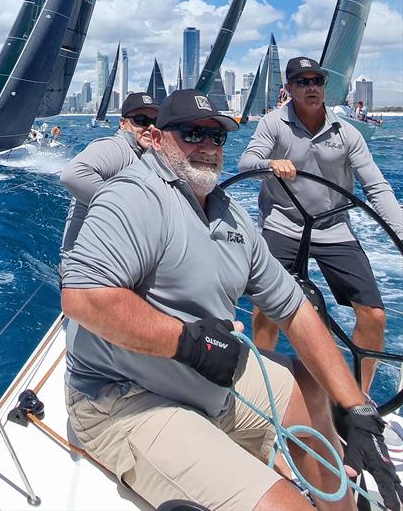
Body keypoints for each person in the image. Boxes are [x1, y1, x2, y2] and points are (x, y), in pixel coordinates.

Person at [62, 89, 402, 511]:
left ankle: (340, 502)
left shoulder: (230, 214)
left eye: (217, 138)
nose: (207, 147)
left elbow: (294, 308)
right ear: (157, 138)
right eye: (192, 134)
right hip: (126, 400)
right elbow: (83, 298)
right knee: (286, 506)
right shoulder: (133, 195)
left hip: (209, 383)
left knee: (310, 385)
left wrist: (357, 409)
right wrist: (191, 343)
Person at [238, 56, 402, 392]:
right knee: (266, 306)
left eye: (317, 81)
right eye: (302, 81)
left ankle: (359, 399)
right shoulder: (273, 124)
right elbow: (246, 161)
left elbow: (376, 186)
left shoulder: (348, 133)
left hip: (334, 228)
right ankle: (263, 387)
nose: (311, 87)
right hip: (283, 224)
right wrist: (271, 163)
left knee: (374, 315)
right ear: (289, 88)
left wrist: (400, 233)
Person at [60, 91, 161, 259]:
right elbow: (73, 174)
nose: (150, 127)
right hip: (88, 273)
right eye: (141, 121)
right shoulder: (118, 147)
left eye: (156, 122)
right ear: (123, 123)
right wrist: (129, 209)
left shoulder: (143, 156)